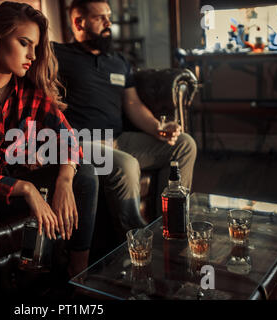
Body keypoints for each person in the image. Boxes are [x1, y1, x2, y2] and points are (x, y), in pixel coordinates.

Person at [0, 1, 98, 299]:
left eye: (35, 46)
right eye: (24, 43)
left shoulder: (29, 91)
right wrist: (25, 188)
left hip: (11, 186)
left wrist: (64, 179)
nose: (32, 55)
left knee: (85, 174)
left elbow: (69, 137)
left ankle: (79, 278)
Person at [53, 0, 197, 240]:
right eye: (101, 17)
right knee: (127, 165)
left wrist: (159, 129)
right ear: (79, 22)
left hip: (119, 139)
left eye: (109, 16)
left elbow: (133, 105)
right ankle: (135, 240)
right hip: (82, 144)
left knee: (185, 144)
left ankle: (171, 224)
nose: (109, 23)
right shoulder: (59, 55)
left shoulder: (118, 61)